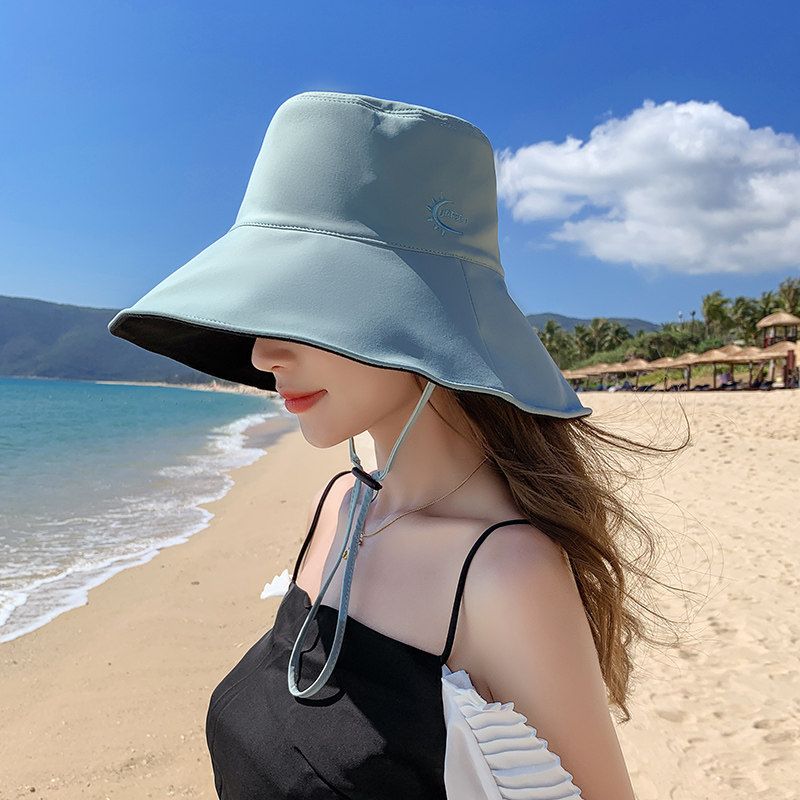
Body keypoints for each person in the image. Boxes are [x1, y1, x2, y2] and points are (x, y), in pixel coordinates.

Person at [110, 92, 673, 799]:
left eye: (302, 304)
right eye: (261, 309)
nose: (261, 353)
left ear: (418, 316)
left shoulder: (503, 574)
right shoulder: (339, 506)